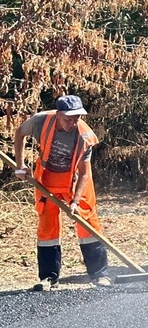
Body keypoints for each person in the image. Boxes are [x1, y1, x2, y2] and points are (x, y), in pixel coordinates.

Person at [12, 95, 110, 290]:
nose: (73, 122)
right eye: (68, 118)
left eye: (77, 118)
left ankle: (100, 274)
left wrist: (74, 202)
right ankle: (49, 278)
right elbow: (19, 133)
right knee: (47, 225)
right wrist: (20, 165)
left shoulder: (84, 136)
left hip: (74, 180)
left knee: (87, 222)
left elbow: (84, 174)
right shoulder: (41, 121)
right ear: (58, 114)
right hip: (47, 178)